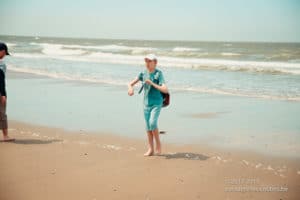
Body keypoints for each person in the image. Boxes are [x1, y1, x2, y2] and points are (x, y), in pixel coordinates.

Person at [128, 54, 168, 156]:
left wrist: (152, 83)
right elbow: (130, 83)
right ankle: (150, 149)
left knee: (152, 123)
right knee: (148, 127)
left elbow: (165, 89)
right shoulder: (143, 73)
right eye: (146, 61)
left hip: (156, 103)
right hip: (146, 104)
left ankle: (158, 144)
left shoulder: (158, 74)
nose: (147, 63)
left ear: (155, 62)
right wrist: (130, 89)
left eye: (150, 61)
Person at [0, 42, 15, 142]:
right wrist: (3, 94)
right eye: (5, 53)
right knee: (2, 113)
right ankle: (5, 136)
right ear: (2, 51)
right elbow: (1, 81)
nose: (5, 55)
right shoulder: (1, 65)